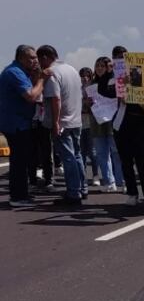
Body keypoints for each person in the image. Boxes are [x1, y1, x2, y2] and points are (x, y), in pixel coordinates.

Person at [37, 45, 87, 206]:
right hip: (75, 119)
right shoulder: (71, 69)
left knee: (68, 158)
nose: (39, 64)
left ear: (45, 57)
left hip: (63, 121)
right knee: (77, 155)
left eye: (40, 60)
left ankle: (74, 192)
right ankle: (82, 188)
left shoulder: (52, 74)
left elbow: (55, 99)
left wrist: (56, 123)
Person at [1, 45, 50, 208]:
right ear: (21, 58)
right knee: (19, 161)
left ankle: (21, 194)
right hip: (15, 123)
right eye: (32, 58)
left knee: (22, 159)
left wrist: (36, 76)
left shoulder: (20, 72)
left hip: (20, 122)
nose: (35, 60)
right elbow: (30, 95)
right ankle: (17, 197)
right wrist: (42, 78)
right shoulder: (15, 73)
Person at [111, 45, 144, 206]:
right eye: (117, 57)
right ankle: (132, 192)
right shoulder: (114, 78)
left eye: (123, 56)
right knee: (126, 160)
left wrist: (133, 83)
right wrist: (122, 85)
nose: (120, 60)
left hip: (139, 122)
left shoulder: (138, 71)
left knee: (142, 160)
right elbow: (119, 98)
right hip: (121, 123)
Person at [89, 57, 125, 194]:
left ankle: (121, 181)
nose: (99, 68)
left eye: (102, 66)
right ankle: (109, 181)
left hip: (112, 122)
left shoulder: (114, 81)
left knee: (116, 152)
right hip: (97, 123)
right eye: (97, 65)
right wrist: (89, 103)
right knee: (101, 153)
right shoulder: (92, 84)